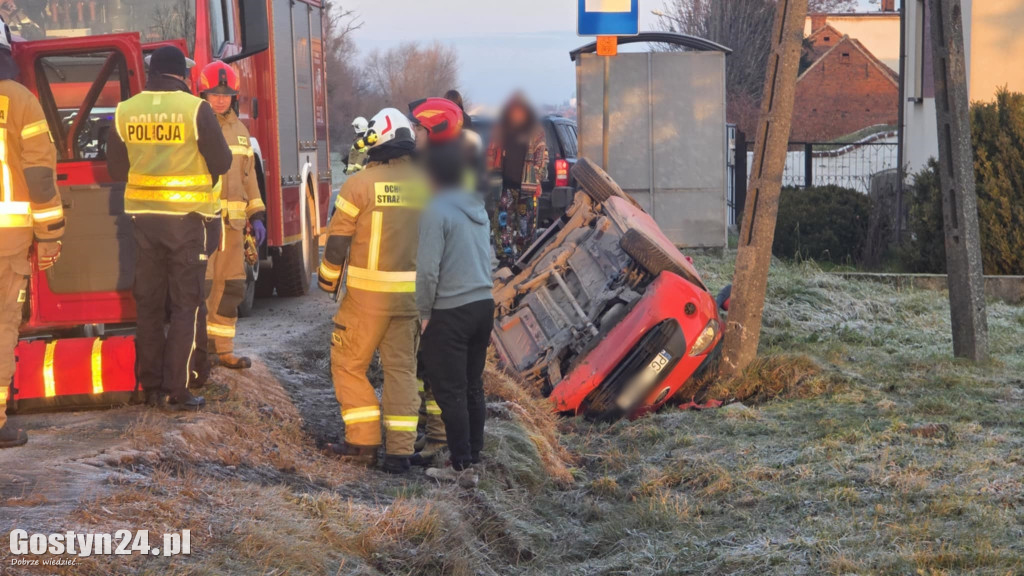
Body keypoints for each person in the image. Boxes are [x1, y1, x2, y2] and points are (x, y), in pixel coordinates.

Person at [107, 46, 232, 410]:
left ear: (151, 73)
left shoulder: (125, 110)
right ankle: (178, 389)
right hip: (185, 222)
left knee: (147, 304)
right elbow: (222, 162)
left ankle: (150, 386)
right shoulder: (195, 109)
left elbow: (117, 170)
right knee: (185, 304)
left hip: (142, 220)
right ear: (182, 75)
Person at [317, 107, 426, 474]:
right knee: (401, 372)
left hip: (365, 300)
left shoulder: (359, 184)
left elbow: (337, 244)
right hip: (410, 301)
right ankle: (399, 453)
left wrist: (327, 281)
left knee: (348, 365)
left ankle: (363, 443)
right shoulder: (426, 184)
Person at [0, 17, 63, 448]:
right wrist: (51, 234)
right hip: (7, 242)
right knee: (3, 326)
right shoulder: (20, 100)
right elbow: (40, 177)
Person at [417, 141, 495, 487]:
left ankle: (460, 466)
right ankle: (474, 456)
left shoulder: (436, 210)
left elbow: (428, 270)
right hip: (483, 306)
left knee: (450, 391)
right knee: (472, 385)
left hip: (451, 310)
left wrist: (423, 311)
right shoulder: (476, 206)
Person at [406, 97, 467, 467]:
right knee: (417, 364)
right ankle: (423, 432)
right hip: (438, 277)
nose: (414, 134)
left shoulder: (437, 171)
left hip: (437, 281)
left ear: (434, 130)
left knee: (431, 365)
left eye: (418, 129)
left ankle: (438, 438)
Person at [197, 61, 266, 371]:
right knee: (205, 286)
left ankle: (223, 349)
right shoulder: (195, 124)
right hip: (203, 224)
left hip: (234, 228)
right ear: (204, 94)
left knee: (233, 287)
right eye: (214, 93)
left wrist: (258, 214)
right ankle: (199, 351)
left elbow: (249, 177)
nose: (220, 99)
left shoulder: (241, 131)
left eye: (226, 94)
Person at [486, 93, 548, 267]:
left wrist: (537, 180)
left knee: (526, 226)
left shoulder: (536, 131)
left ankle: (524, 258)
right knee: (501, 223)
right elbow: (491, 154)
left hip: (527, 187)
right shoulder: (501, 130)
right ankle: (505, 258)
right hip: (504, 185)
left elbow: (542, 158)